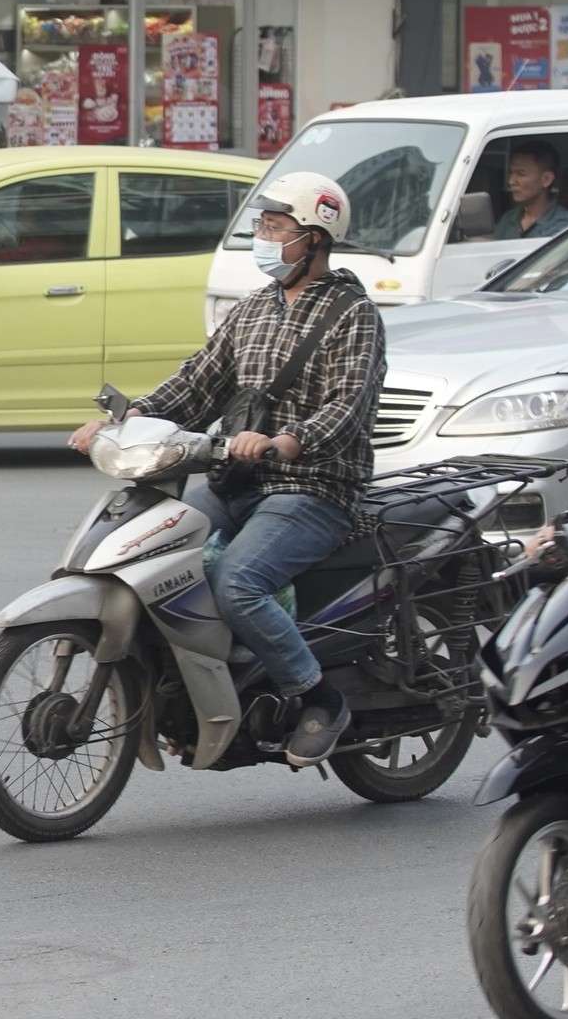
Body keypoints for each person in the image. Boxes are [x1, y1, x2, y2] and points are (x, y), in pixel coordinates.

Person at [68, 172, 385, 767]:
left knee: (238, 581)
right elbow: (197, 382)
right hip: (236, 479)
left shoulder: (354, 316)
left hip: (315, 488)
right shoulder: (256, 309)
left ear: (314, 239)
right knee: (155, 554)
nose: (264, 237)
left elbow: (350, 404)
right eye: (261, 226)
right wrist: (128, 416)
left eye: (276, 228)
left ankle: (318, 696)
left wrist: (291, 440)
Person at [491, 140, 568, 240]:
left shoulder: (562, 223)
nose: (511, 181)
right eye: (511, 173)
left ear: (546, 179)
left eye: (521, 174)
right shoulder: (509, 218)